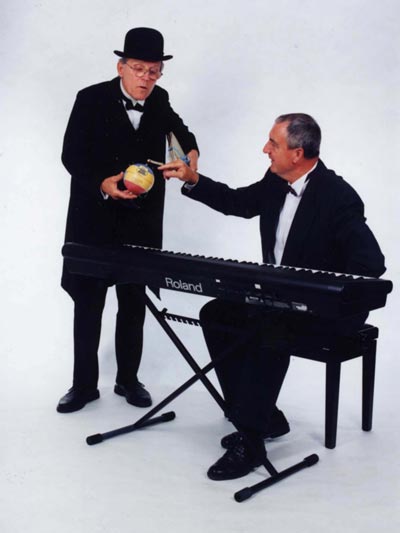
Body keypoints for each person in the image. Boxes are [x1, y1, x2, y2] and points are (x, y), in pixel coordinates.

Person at [159, 113, 386, 480]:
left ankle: (250, 443)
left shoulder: (338, 198)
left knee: (270, 329)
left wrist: (318, 291)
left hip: (327, 312)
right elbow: (238, 203)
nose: (265, 149)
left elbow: (371, 264)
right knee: (217, 314)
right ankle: (264, 418)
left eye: (273, 144)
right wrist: (192, 178)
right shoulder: (276, 181)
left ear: (297, 154)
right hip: (280, 299)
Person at [58, 27, 199, 413]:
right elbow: (71, 155)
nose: (146, 78)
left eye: (154, 71)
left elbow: (182, 134)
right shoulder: (89, 98)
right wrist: (102, 182)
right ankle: (83, 386)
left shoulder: (160, 99)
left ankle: (128, 380)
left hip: (141, 223)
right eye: (138, 69)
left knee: (134, 303)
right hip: (94, 219)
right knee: (88, 305)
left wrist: (189, 158)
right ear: (121, 67)